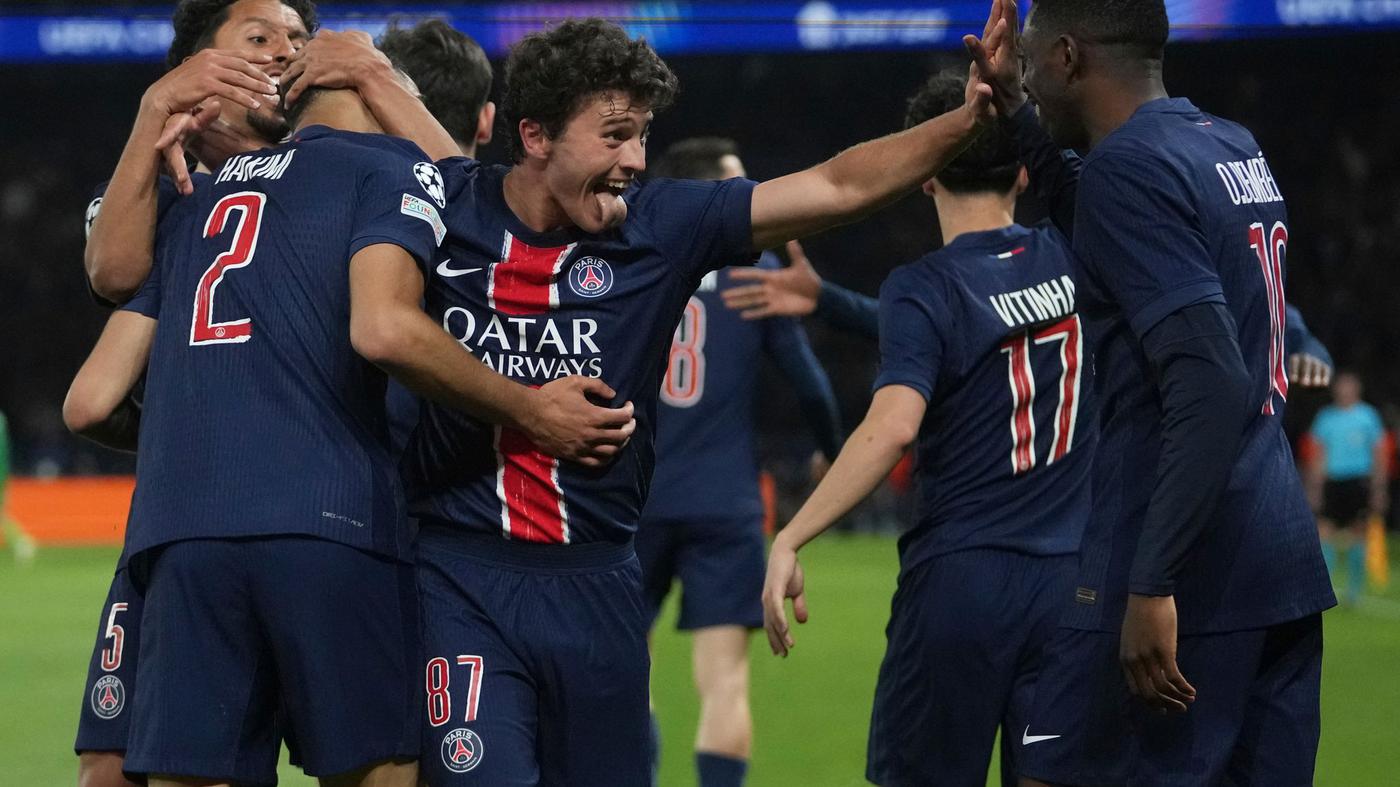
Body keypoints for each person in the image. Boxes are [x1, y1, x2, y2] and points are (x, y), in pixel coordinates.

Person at [284, 16, 993, 785]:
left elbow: (837, 184)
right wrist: (366, 69)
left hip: (601, 585)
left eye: (644, 135)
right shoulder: (451, 204)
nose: (636, 160)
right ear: (535, 136)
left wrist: (969, 120)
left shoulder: (666, 226)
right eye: (616, 135)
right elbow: (433, 168)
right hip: (461, 579)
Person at [965, 1, 1335, 784]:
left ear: (1069, 57)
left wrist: (1153, 578)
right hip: (1277, 558)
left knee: (1049, 773)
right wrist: (1018, 110)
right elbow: (1110, 231)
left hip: (1183, 561)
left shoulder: (1127, 169)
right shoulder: (1228, 144)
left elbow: (1209, 380)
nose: (1026, 72)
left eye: (1030, 60)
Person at [762, 69, 1091, 787]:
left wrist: (791, 534)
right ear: (1025, 171)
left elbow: (894, 424)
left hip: (963, 584)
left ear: (924, 174)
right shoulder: (1074, 252)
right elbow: (980, 328)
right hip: (1074, 584)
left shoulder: (924, 286)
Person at [638, 137, 843, 787]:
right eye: (739, 186)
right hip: (723, 501)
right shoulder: (755, 269)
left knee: (624, 675)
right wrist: (832, 451)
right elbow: (810, 384)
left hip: (632, 498)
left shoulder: (635, 252)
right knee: (725, 682)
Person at [1306, 372, 1388, 604]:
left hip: (1358, 480)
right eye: (1341, 386)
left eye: (1349, 386)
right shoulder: (1326, 417)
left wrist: (1379, 487)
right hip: (1333, 481)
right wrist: (1315, 486)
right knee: (1324, 531)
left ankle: (1354, 590)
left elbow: (1379, 452)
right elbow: (1318, 454)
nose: (1345, 390)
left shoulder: (1368, 416)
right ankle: (1324, 585)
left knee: (1357, 532)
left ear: (1357, 389)